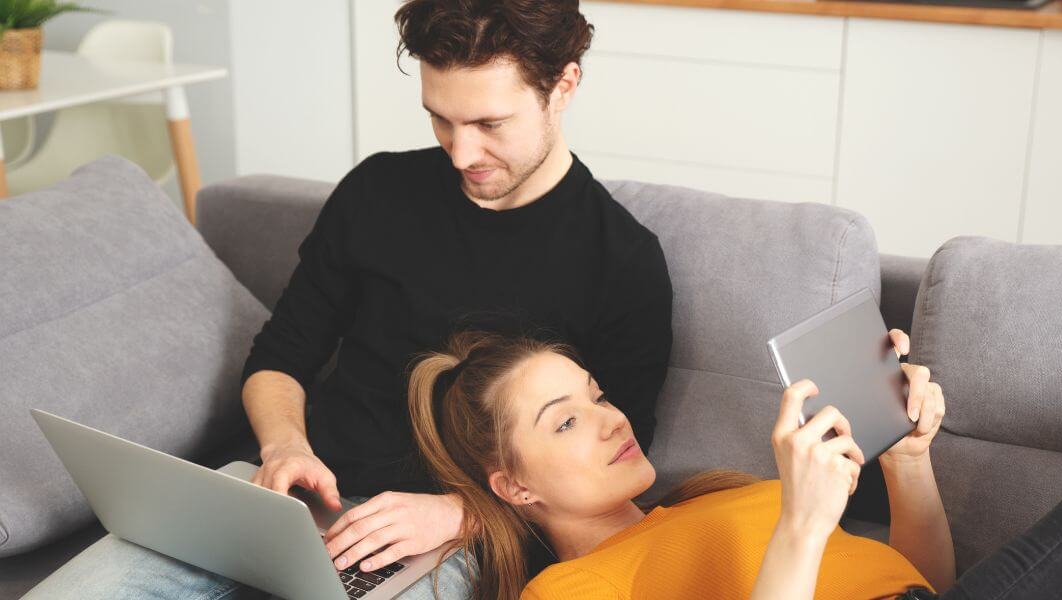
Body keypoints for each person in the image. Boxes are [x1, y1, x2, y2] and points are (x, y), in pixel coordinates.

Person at [25, 1, 672, 598]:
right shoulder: (378, 191)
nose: (462, 151)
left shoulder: (621, 259)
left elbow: (611, 462)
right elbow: (282, 355)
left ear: (563, 85)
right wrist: (283, 449)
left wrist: (460, 511)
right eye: (441, 119)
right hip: (290, 501)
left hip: (446, 541)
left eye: (488, 123)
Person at [403, 330, 1062, 600]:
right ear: (515, 486)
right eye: (566, 421)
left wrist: (909, 460)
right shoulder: (565, 590)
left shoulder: (715, 496)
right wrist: (800, 524)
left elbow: (914, 576)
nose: (611, 418)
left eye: (597, 393)